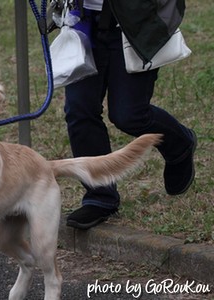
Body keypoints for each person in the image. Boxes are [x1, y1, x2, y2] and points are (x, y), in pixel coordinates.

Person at [64, 0, 197, 230]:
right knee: (79, 109)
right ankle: (100, 195)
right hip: (83, 19)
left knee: (129, 114)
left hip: (135, 21)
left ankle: (179, 144)